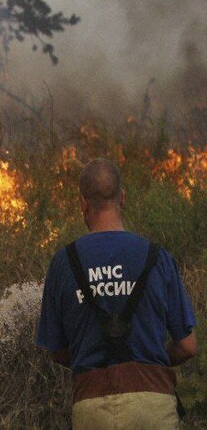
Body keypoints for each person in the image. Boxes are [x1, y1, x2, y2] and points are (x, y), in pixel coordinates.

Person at [37, 157, 197, 429]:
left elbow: (57, 351)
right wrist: (147, 362)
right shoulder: (157, 258)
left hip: (92, 406)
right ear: (122, 198)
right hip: (153, 403)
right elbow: (188, 346)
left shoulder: (64, 262)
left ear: (83, 204)